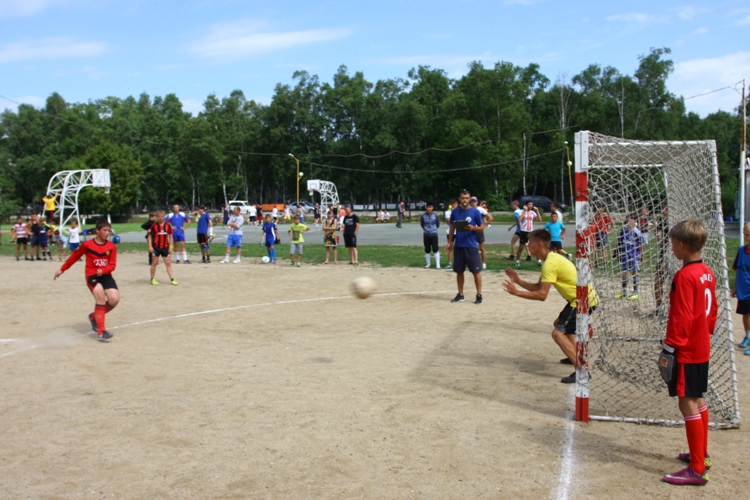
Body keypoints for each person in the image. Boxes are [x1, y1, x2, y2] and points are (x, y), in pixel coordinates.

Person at [659, 218, 716, 486]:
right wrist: (707, 331)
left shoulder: (684, 276)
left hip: (687, 348)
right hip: (701, 343)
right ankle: (701, 455)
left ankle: (696, 469)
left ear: (681, 245)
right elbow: (712, 309)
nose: (671, 247)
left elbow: (681, 316)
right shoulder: (707, 271)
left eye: (672, 243)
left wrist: (670, 347)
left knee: (687, 402)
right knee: (698, 399)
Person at [503, 229, 599, 383]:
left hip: (582, 300)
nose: (527, 245)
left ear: (540, 244)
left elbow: (542, 295)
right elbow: (539, 286)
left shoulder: (550, 263)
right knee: (560, 325)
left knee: (557, 333)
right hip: (581, 298)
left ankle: (582, 371)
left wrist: (517, 293)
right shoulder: (550, 259)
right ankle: (574, 355)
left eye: (530, 242)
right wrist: (518, 281)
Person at [54, 218, 119, 341]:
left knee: (114, 299)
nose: (107, 233)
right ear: (97, 230)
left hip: (106, 276)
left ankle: (94, 317)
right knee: (100, 296)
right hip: (92, 276)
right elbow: (74, 257)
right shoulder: (87, 245)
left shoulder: (111, 247)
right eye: (104, 230)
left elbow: (112, 265)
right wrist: (62, 269)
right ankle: (101, 331)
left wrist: (104, 270)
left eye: (108, 231)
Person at [446, 189, 485, 304]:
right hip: (459, 245)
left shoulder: (475, 212)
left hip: (471, 245)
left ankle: (479, 295)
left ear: (470, 199)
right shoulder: (455, 212)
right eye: (463, 198)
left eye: (467, 198)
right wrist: (450, 242)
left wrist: (473, 228)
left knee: (475, 271)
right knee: (459, 271)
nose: (465, 200)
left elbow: (481, 227)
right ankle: (460, 294)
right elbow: (452, 227)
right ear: (459, 199)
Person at [616, 215, 645, 300]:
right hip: (625, 255)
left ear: (634, 221)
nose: (629, 223)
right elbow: (619, 241)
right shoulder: (624, 230)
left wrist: (641, 256)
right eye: (627, 221)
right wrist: (617, 251)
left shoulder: (637, 232)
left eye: (630, 221)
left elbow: (641, 245)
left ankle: (635, 293)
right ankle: (624, 292)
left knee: (634, 272)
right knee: (624, 273)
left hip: (633, 256)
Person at [732, 223, 750, 353]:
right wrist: (735, 288)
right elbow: (738, 271)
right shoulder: (741, 251)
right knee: (745, 314)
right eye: (744, 234)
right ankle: (748, 336)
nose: (745, 236)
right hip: (743, 290)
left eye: (748, 234)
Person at [148, 210, 178, 285]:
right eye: (159, 216)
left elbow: (171, 237)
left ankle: (172, 279)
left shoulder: (168, 226)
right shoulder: (154, 226)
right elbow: (149, 236)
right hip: (156, 247)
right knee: (154, 263)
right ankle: (152, 279)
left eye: (162, 216)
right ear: (157, 217)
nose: (160, 218)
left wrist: (171, 247)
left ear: (164, 217)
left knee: (168, 263)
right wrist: (150, 246)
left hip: (165, 247)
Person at [515, 200, 541, 267]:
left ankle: (538, 261)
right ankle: (517, 261)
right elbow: (519, 219)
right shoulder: (521, 211)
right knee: (521, 247)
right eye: (529, 204)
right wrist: (524, 211)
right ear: (526, 205)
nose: (531, 206)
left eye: (532, 204)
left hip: (531, 231)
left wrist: (537, 211)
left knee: (535, 246)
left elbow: (539, 220)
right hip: (524, 231)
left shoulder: (532, 212)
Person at [470, 196, 492, 269]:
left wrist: (484, 225)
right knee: (472, 248)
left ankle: (484, 263)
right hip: (471, 230)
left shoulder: (480, 209)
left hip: (479, 229)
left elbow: (490, 217)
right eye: (472, 202)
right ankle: (473, 263)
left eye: (474, 202)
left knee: (482, 248)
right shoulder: (469, 209)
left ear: (477, 202)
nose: (473, 203)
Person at [420, 201, 441, 269]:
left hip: (434, 233)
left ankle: (438, 264)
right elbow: (422, 224)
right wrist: (426, 230)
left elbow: (437, 224)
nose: (429, 208)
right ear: (426, 207)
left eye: (430, 207)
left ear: (432, 208)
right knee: (427, 249)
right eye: (428, 207)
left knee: (435, 248)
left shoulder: (435, 215)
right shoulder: (423, 216)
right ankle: (428, 264)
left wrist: (433, 229)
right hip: (426, 234)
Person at [444, 200, 456, 269]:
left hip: (459, 232)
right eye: (453, 204)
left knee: (459, 248)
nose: (454, 205)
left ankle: (458, 262)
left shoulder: (459, 211)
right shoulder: (447, 212)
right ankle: (450, 263)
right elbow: (449, 222)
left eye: (455, 204)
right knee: (450, 247)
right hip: (450, 232)